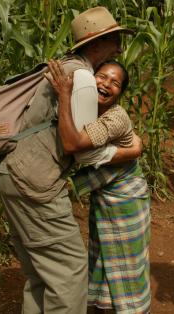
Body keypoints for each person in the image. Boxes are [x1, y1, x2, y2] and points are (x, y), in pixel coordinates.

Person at [0, 7, 142, 314]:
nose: (118, 48)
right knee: (71, 273)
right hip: (36, 181)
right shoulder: (84, 78)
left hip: (11, 170)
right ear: (96, 42)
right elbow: (80, 149)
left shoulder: (64, 66)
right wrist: (128, 151)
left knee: (40, 273)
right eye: (115, 40)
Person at [46, 58, 151, 314]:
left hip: (126, 199)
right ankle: (104, 307)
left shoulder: (115, 117)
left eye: (115, 83)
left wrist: (63, 95)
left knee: (125, 261)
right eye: (102, 76)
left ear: (120, 94)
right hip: (105, 196)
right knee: (103, 256)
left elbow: (73, 146)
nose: (106, 84)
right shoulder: (87, 108)